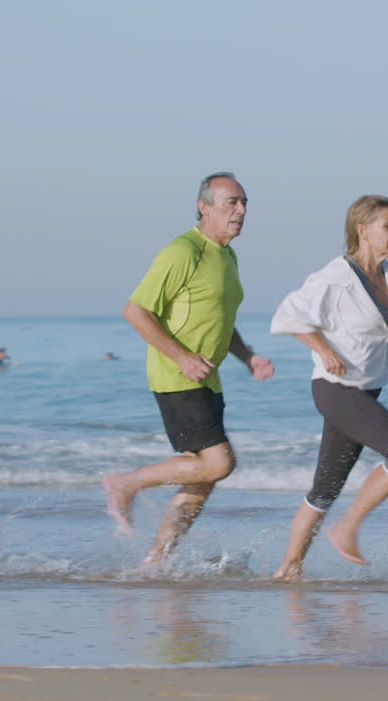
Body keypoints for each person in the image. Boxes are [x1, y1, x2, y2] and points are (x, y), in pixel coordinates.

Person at [102, 172, 274, 565]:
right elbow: (136, 311)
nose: (241, 210)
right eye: (231, 202)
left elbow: (221, 320)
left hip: (207, 379)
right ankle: (125, 484)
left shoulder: (227, 255)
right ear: (204, 207)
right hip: (176, 376)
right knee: (219, 463)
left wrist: (247, 357)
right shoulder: (182, 251)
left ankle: (157, 559)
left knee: (205, 475)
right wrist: (181, 357)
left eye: (244, 203)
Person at [269, 194, 388, 580]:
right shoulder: (336, 276)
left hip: (365, 392)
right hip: (336, 389)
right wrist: (323, 349)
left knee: (325, 489)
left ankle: (288, 568)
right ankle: (347, 528)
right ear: (363, 230)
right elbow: (287, 317)